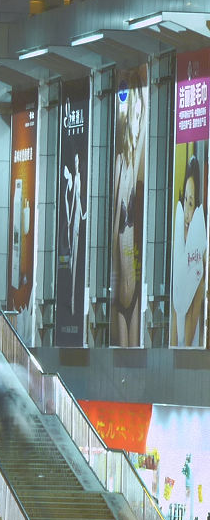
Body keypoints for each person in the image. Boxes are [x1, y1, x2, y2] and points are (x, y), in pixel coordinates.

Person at [110, 75, 147, 346]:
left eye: (140, 115)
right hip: (119, 289)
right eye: (133, 115)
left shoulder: (135, 169)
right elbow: (114, 229)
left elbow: (143, 129)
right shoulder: (120, 165)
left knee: (134, 355)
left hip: (134, 290)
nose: (136, 122)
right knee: (121, 354)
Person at [172, 154, 207, 347]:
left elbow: (185, 342)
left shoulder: (198, 273)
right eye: (185, 200)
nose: (187, 211)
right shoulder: (178, 253)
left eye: (191, 203)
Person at [63, 152, 87, 316]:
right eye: (75, 161)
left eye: (78, 160)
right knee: (72, 258)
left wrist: (81, 215)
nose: (76, 163)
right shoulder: (75, 179)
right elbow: (72, 201)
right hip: (75, 221)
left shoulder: (78, 178)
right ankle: (71, 301)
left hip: (77, 220)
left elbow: (76, 200)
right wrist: (70, 219)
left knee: (76, 259)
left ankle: (73, 301)